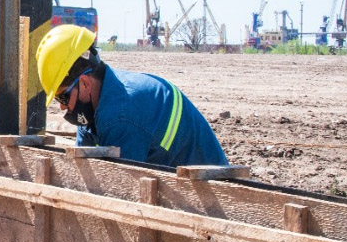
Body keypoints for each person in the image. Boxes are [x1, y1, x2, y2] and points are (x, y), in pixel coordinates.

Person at [36, 24, 228, 168]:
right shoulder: (96, 105)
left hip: (210, 195)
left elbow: (122, 188)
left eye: (62, 98)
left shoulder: (122, 114)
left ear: (85, 83)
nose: (62, 107)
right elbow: (83, 167)